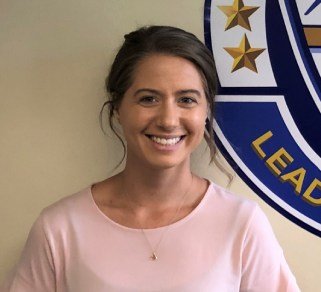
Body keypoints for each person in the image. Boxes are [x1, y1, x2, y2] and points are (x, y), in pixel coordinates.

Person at [1, 26, 300, 292]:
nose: (169, 120)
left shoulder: (242, 224)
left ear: (206, 109)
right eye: (148, 99)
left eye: (186, 100)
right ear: (118, 108)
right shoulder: (60, 228)